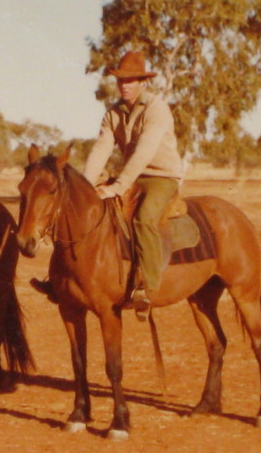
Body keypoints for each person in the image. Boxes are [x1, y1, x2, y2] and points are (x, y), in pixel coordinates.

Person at [33, 51, 183, 321]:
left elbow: (144, 152)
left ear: (143, 82)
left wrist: (118, 186)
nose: (125, 85)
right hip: (131, 177)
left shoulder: (156, 109)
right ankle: (59, 279)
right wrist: (89, 189)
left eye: (131, 80)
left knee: (145, 217)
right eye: (121, 80)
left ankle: (146, 286)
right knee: (76, 211)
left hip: (161, 177)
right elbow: (101, 148)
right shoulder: (113, 113)